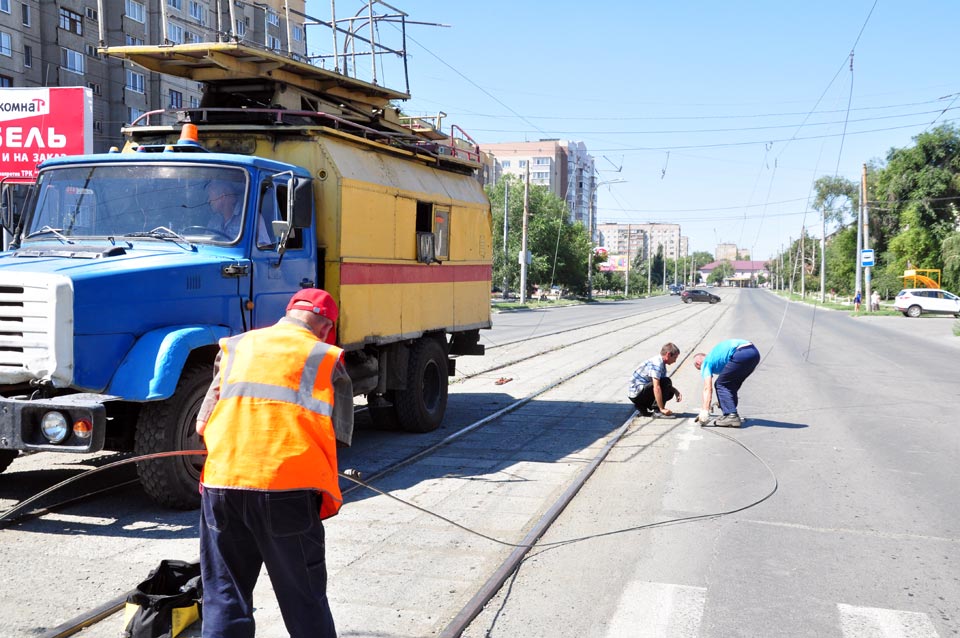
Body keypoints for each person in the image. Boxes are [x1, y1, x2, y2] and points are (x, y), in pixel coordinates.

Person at [196, 288, 353, 638]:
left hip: (223, 484)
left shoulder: (237, 347)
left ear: (288, 314)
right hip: (286, 489)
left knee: (225, 594)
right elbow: (339, 433)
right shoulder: (326, 357)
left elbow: (201, 424)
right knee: (304, 599)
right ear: (327, 327)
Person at [693, 339, 760, 428]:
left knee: (720, 384)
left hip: (741, 352)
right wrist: (724, 401)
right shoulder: (717, 357)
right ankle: (731, 413)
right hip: (754, 353)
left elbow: (707, 388)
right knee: (730, 384)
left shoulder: (706, 362)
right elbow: (728, 386)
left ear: (698, 363)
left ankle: (731, 415)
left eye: (699, 369)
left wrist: (705, 411)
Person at [628, 342, 683, 418]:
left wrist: (676, 391)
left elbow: (662, 384)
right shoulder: (657, 363)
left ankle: (642, 407)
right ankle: (657, 411)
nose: (675, 361)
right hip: (637, 394)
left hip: (639, 393)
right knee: (666, 382)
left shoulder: (661, 362)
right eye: (674, 358)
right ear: (668, 354)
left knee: (669, 390)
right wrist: (661, 408)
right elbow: (656, 387)